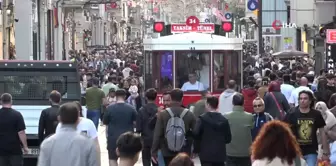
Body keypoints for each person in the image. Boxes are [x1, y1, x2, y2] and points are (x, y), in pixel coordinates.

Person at [151, 88, 196, 166]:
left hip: (166, 150)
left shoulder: (163, 114)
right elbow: (196, 133)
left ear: (171, 98)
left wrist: (153, 152)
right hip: (183, 151)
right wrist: (195, 150)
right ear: (182, 99)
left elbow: (157, 134)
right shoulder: (189, 114)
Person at [284, 91, 330, 166]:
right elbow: (284, 130)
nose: (302, 100)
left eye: (305, 98)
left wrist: (325, 151)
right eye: (300, 98)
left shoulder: (316, 114)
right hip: (296, 150)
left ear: (310, 101)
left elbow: (322, 132)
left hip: (311, 150)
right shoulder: (291, 113)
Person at [193, 96, 232, 166]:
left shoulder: (202, 119)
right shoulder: (224, 120)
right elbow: (228, 139)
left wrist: (196, 149)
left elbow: (196, 134)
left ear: (208, 105)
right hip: (220, 155)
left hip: (205, 155)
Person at [103, 89, 137, 166]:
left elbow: (105, 122)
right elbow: (135, 122)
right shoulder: (131, 108)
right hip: (128, 139)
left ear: (115, 96)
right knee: (127, 159)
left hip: (113, 138)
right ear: (125, 96)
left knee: (112, 159)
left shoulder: (109, 108)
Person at [224, 93, 253, 166]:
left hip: (230, 152)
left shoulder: (226, 116)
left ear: (232, 103)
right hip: (245, 152)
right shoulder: (250, 117)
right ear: (244, 102)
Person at [0, 93, 28, 166]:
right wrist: (25, 146)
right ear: (11, 101)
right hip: (15, 150)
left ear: (1, 102)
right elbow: (21, 132)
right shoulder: (17, 115)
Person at [136, 88, 159, 166]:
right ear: (156, 97)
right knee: (156, 160)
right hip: (156, 139)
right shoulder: (159, 110)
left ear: (146, 97)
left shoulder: (141, 110)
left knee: (146, 160)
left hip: (145, 139)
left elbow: (138, 128)